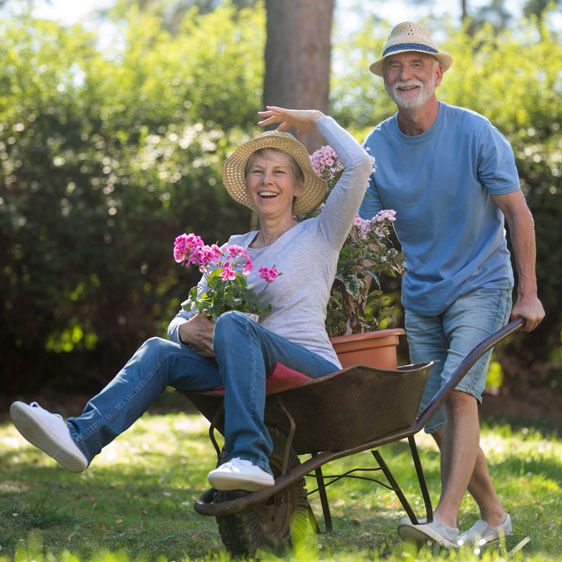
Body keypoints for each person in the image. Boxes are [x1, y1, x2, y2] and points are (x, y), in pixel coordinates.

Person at [10, 107, 373, 492]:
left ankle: (248, 456)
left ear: (299, 186)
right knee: (158, 349)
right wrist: (186, 333)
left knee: (235, 324)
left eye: (278, 172)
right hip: (249, 372)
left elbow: (361, 164)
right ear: (248, 185)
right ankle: (82, 437)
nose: (267, 181)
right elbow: (180, 319)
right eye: (257, 172)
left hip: (310, 369)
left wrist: (317, 120)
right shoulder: (232, 252)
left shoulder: (321, 233)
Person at [360, 21, 545, 548]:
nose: (406, 74)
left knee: (460, 396)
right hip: (422, 294)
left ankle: (442, 522)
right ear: (387, 78)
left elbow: (519, 214)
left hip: (482, 283)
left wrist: (527, 292)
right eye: (396, 66)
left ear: (437, 74)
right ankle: (493, 516)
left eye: (417, 64)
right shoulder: (377, 143)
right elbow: (367, 233)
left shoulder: (475, 132)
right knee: (434, 415)